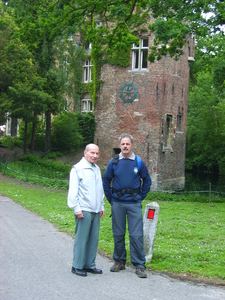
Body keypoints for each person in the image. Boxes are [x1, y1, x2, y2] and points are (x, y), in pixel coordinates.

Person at [103, 133, 152, 278]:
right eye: (123, 144)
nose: (125, 146)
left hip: (134, 204)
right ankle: (119, 261)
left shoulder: (138, 162)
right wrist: (111, 200)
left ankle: (139, 265)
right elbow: (106, 180)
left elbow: (147, 181)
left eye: (127, 144)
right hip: (118, 203)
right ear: (120, 146)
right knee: (118, 233)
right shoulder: (114, 162)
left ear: (132, 145)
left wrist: (140, 197)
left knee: (136, 235)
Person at [68, 144, 105, 277]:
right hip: (83, 209)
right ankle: (77, 265)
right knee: (81, 238)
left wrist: (101, 205)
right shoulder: (78, 169)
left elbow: (100, 189)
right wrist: (76, 208)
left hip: (95, 209)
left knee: (93, 239)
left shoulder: (96, 169)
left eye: (97, 153)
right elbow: (73, 190)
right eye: (92, 153)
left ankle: (89, 265)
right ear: (85, 153)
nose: (95, 156)